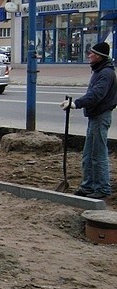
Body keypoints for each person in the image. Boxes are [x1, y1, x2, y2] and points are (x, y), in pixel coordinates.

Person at [60, 41, 117, 199]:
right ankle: (88, 186)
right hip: (95, 117)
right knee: (88, 154)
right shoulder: (100, 71)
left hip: (100, 117)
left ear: (98, 56)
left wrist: (76, 103)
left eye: (91, 53)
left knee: (98, 154)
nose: (88, 55)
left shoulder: (106, 73)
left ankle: (102, 189)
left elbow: (97, 95)